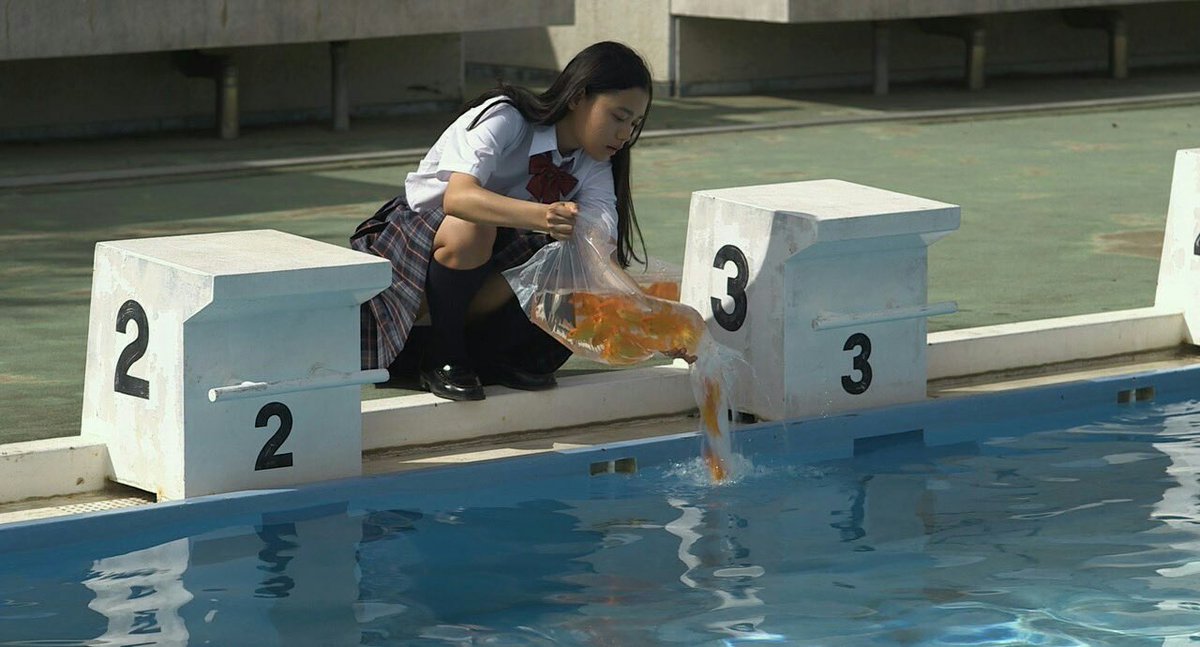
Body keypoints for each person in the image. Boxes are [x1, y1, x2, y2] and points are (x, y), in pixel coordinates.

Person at [351, 41, 653, 402]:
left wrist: (654, 318)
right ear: (578, 97)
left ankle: (481, 356)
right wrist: (542, 216)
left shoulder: (595, 165)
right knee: (474, 228)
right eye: (618, 117)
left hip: (488, 261)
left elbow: (599, 252)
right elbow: (458, 198)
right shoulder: (506, 117)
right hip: (414, 245)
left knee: (571, 262)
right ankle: (443, 356)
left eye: (634, 124)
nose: (625, 134)